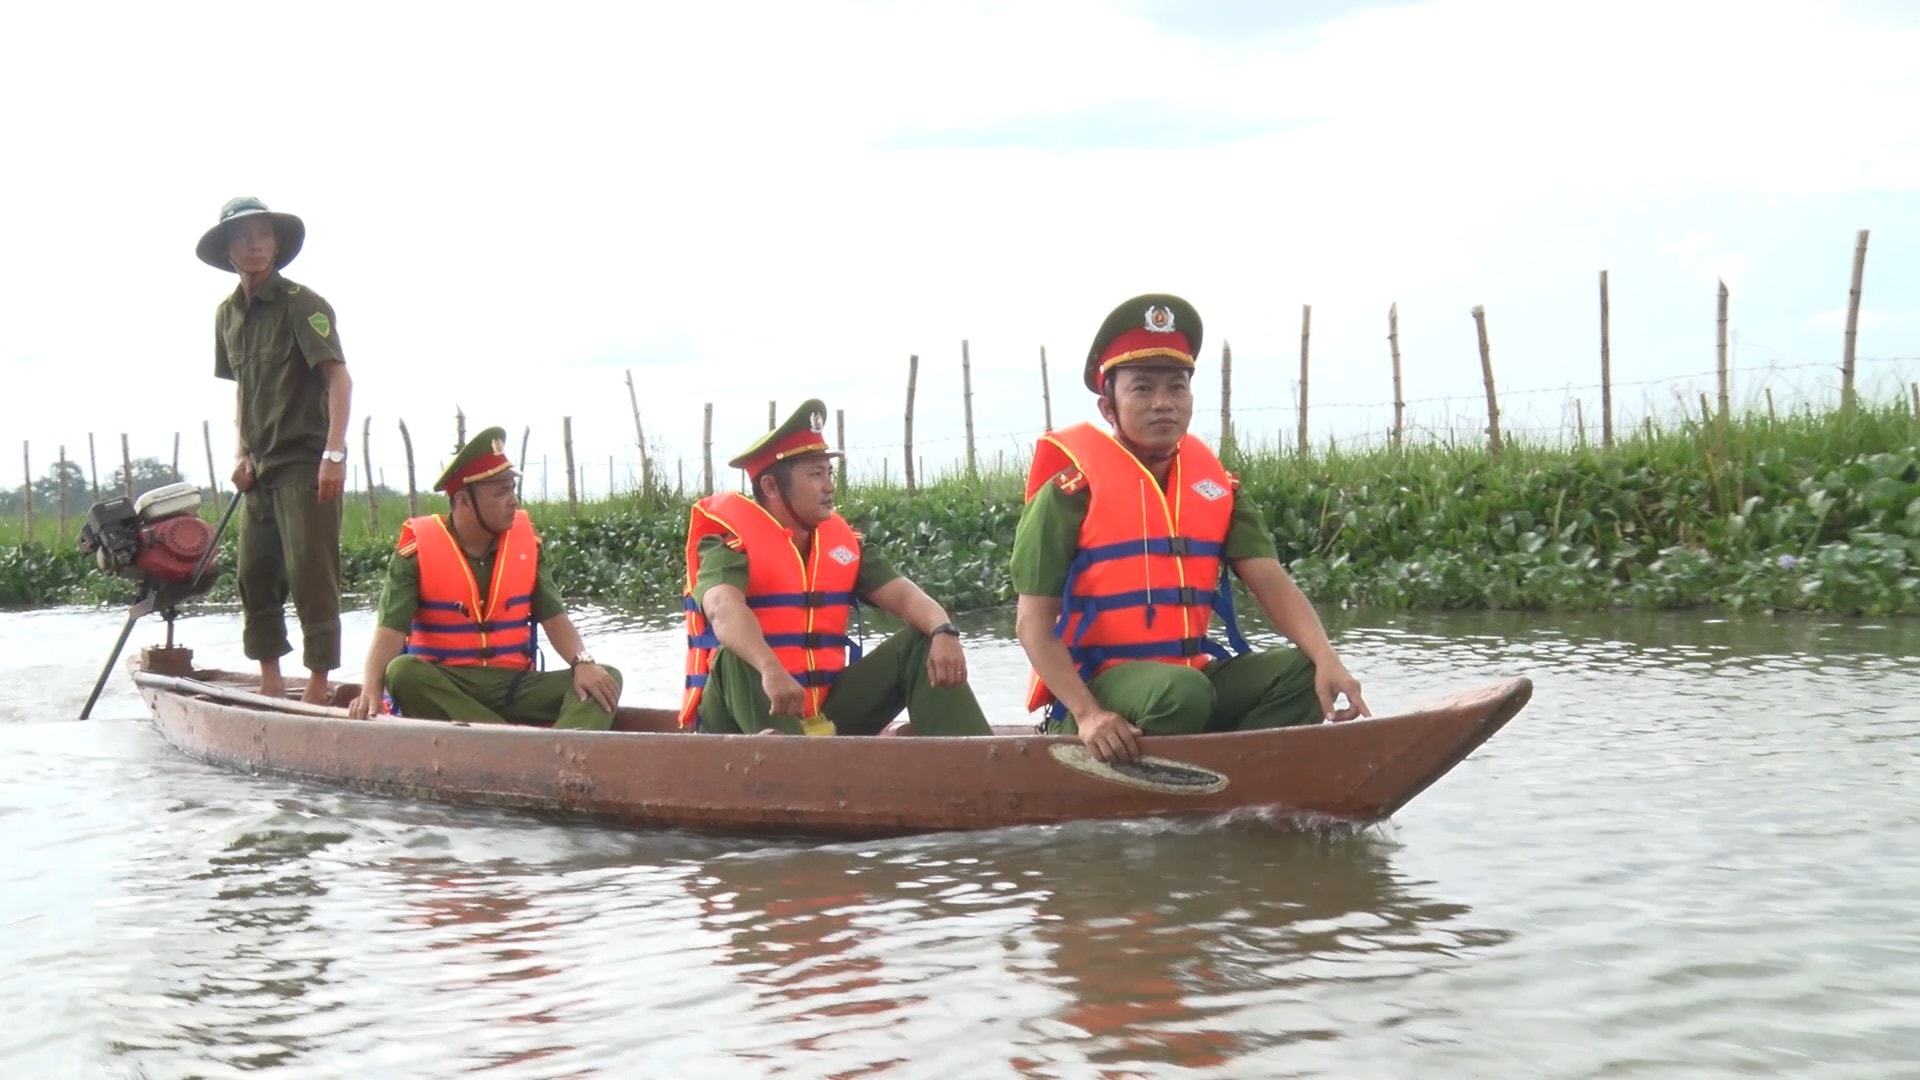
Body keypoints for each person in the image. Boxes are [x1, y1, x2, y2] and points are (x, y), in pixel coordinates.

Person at [1011, 293, 1370, 764]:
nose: (1163, 404)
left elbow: (1271, 582)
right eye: (1142, 389)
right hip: (1093, 693)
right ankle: (1173, 792)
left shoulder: (1216, 487)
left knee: (1303, 669)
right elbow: (1031, 626)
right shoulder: (1069, 492)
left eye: (1177, 388)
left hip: (1188, 680)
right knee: (1181, 693)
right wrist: (1087, 713)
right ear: (1108, 407)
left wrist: (1329, 659)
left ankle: (1242, 777)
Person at [679, 400, 992, 737]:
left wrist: (943, 630)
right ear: (771, 487)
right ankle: (791, 765)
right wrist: (770, 668)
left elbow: (902, 596)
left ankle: (982, 769)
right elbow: (722, 608)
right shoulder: (728, 544)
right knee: (732, 659)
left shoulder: (843, 545)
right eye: (815, 474)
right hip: (746, 718)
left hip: (822, 716)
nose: (829, 485)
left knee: (922, 640)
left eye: (829, 472)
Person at [345, 427, 622, 728]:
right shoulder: (415, 554)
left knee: (606, 679)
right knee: (401, 672)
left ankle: (554, 752)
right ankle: (522, 746)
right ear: (464, 501)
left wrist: (582, 662)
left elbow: (555, 618)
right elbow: (389, 632)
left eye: (512, 489)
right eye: (501, 492)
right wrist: (370, 691)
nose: (513, 501)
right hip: (447, 684)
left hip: (513, 686)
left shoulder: (527, 545)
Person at [200, 196, 354, 704]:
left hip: (304, 463)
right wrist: (241, 453)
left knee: (312, 572)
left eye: (264, 235)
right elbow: (243, 389)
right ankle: (270, 681)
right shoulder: (227, 315)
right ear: (228, 249)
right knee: (254, 574)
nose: (255, 245)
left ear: (276, 243)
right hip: (259, 470)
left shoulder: (302, 303)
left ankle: (316, 686)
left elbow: (338, 378)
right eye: (243, 237)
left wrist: (333, 454)